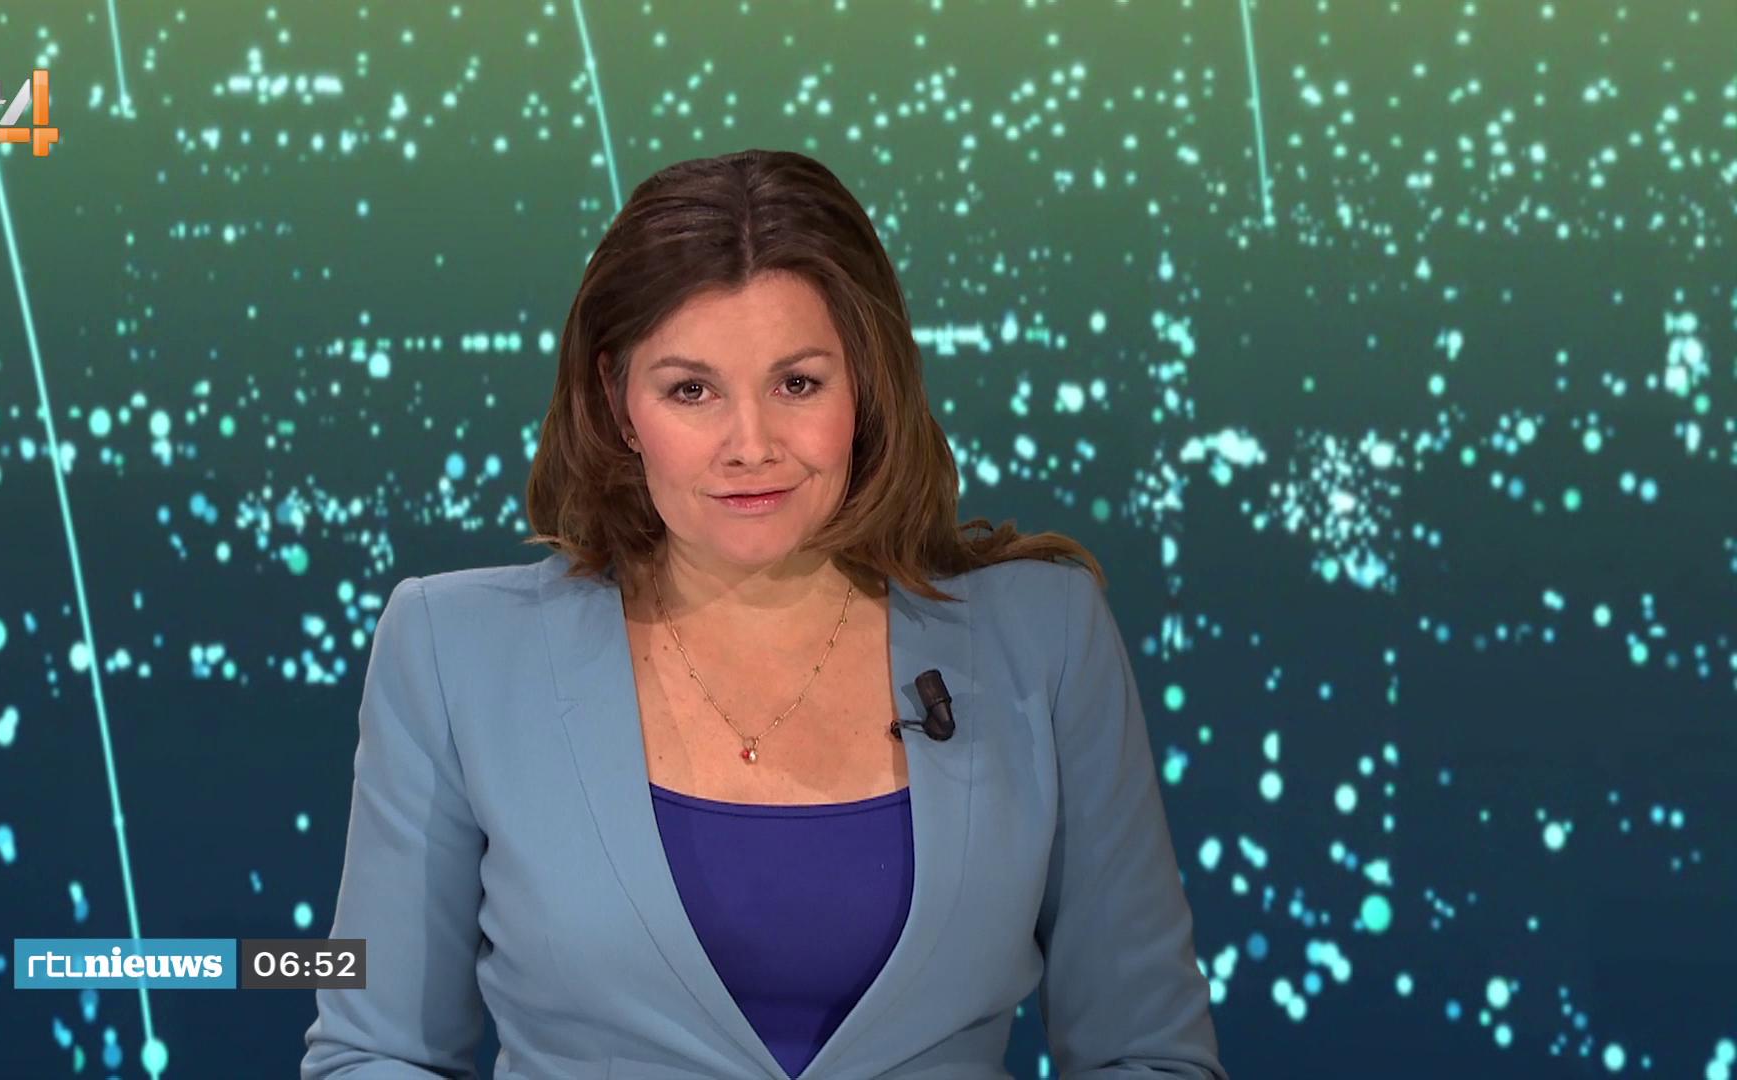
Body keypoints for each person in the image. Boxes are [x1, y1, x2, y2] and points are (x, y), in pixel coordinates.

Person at [300, 149, 1227, 1079]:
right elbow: (374, 1049)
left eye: (798, 384)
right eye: (691, 390)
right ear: (619, 403)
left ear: (865, 388)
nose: (751, 446)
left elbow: (1150, 1055)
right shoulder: (452, 653)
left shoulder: (1045, 638)